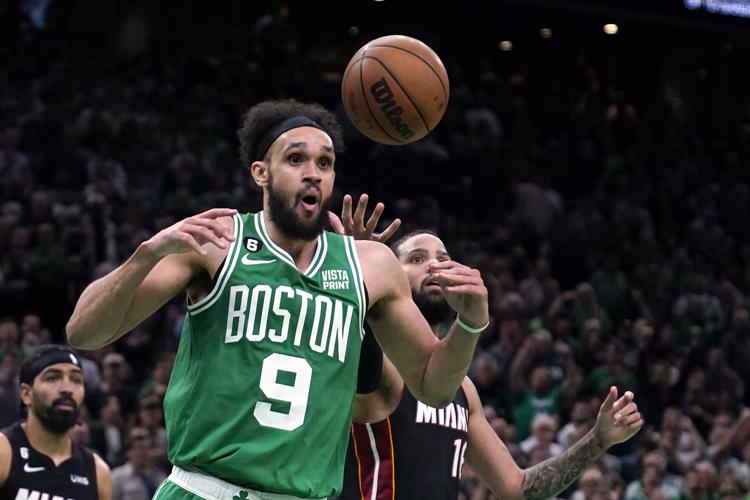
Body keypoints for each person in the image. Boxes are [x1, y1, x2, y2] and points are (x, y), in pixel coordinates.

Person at [65, 99, 489, 499]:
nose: (313, 172)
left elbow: (433, 387)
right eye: (295, 159)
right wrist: (146, 254)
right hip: (206, 489)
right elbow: (83, 332)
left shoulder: (372, 266)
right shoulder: (216, 242)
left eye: (324, 162)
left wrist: (469, 323)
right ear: (260, 173)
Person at [337, 230, 644, 500]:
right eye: (416, 259)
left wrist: (598, 440)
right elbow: (355, 339)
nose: (434, 265)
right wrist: (360, 277)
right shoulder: (380, 366)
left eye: (443, 258)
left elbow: (518, 487)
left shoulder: (464, 391)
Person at [0, 344, 112, 500]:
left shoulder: (98, 472)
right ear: (26, 394)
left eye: (76, 380)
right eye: (52, 378)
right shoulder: (4, 451)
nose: (67, 388)